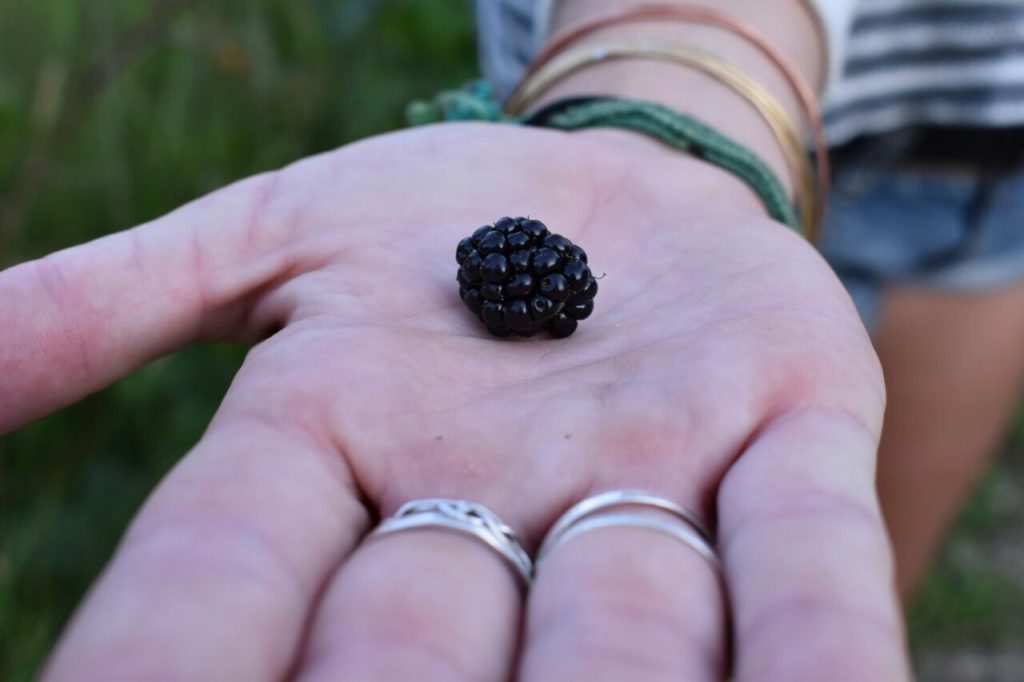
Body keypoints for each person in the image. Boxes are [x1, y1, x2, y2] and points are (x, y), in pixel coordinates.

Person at [0, 1, 918, 680]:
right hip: (603, 59)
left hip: (986, 107)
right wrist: (679, 67)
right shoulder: (521, 271)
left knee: (824, 540)